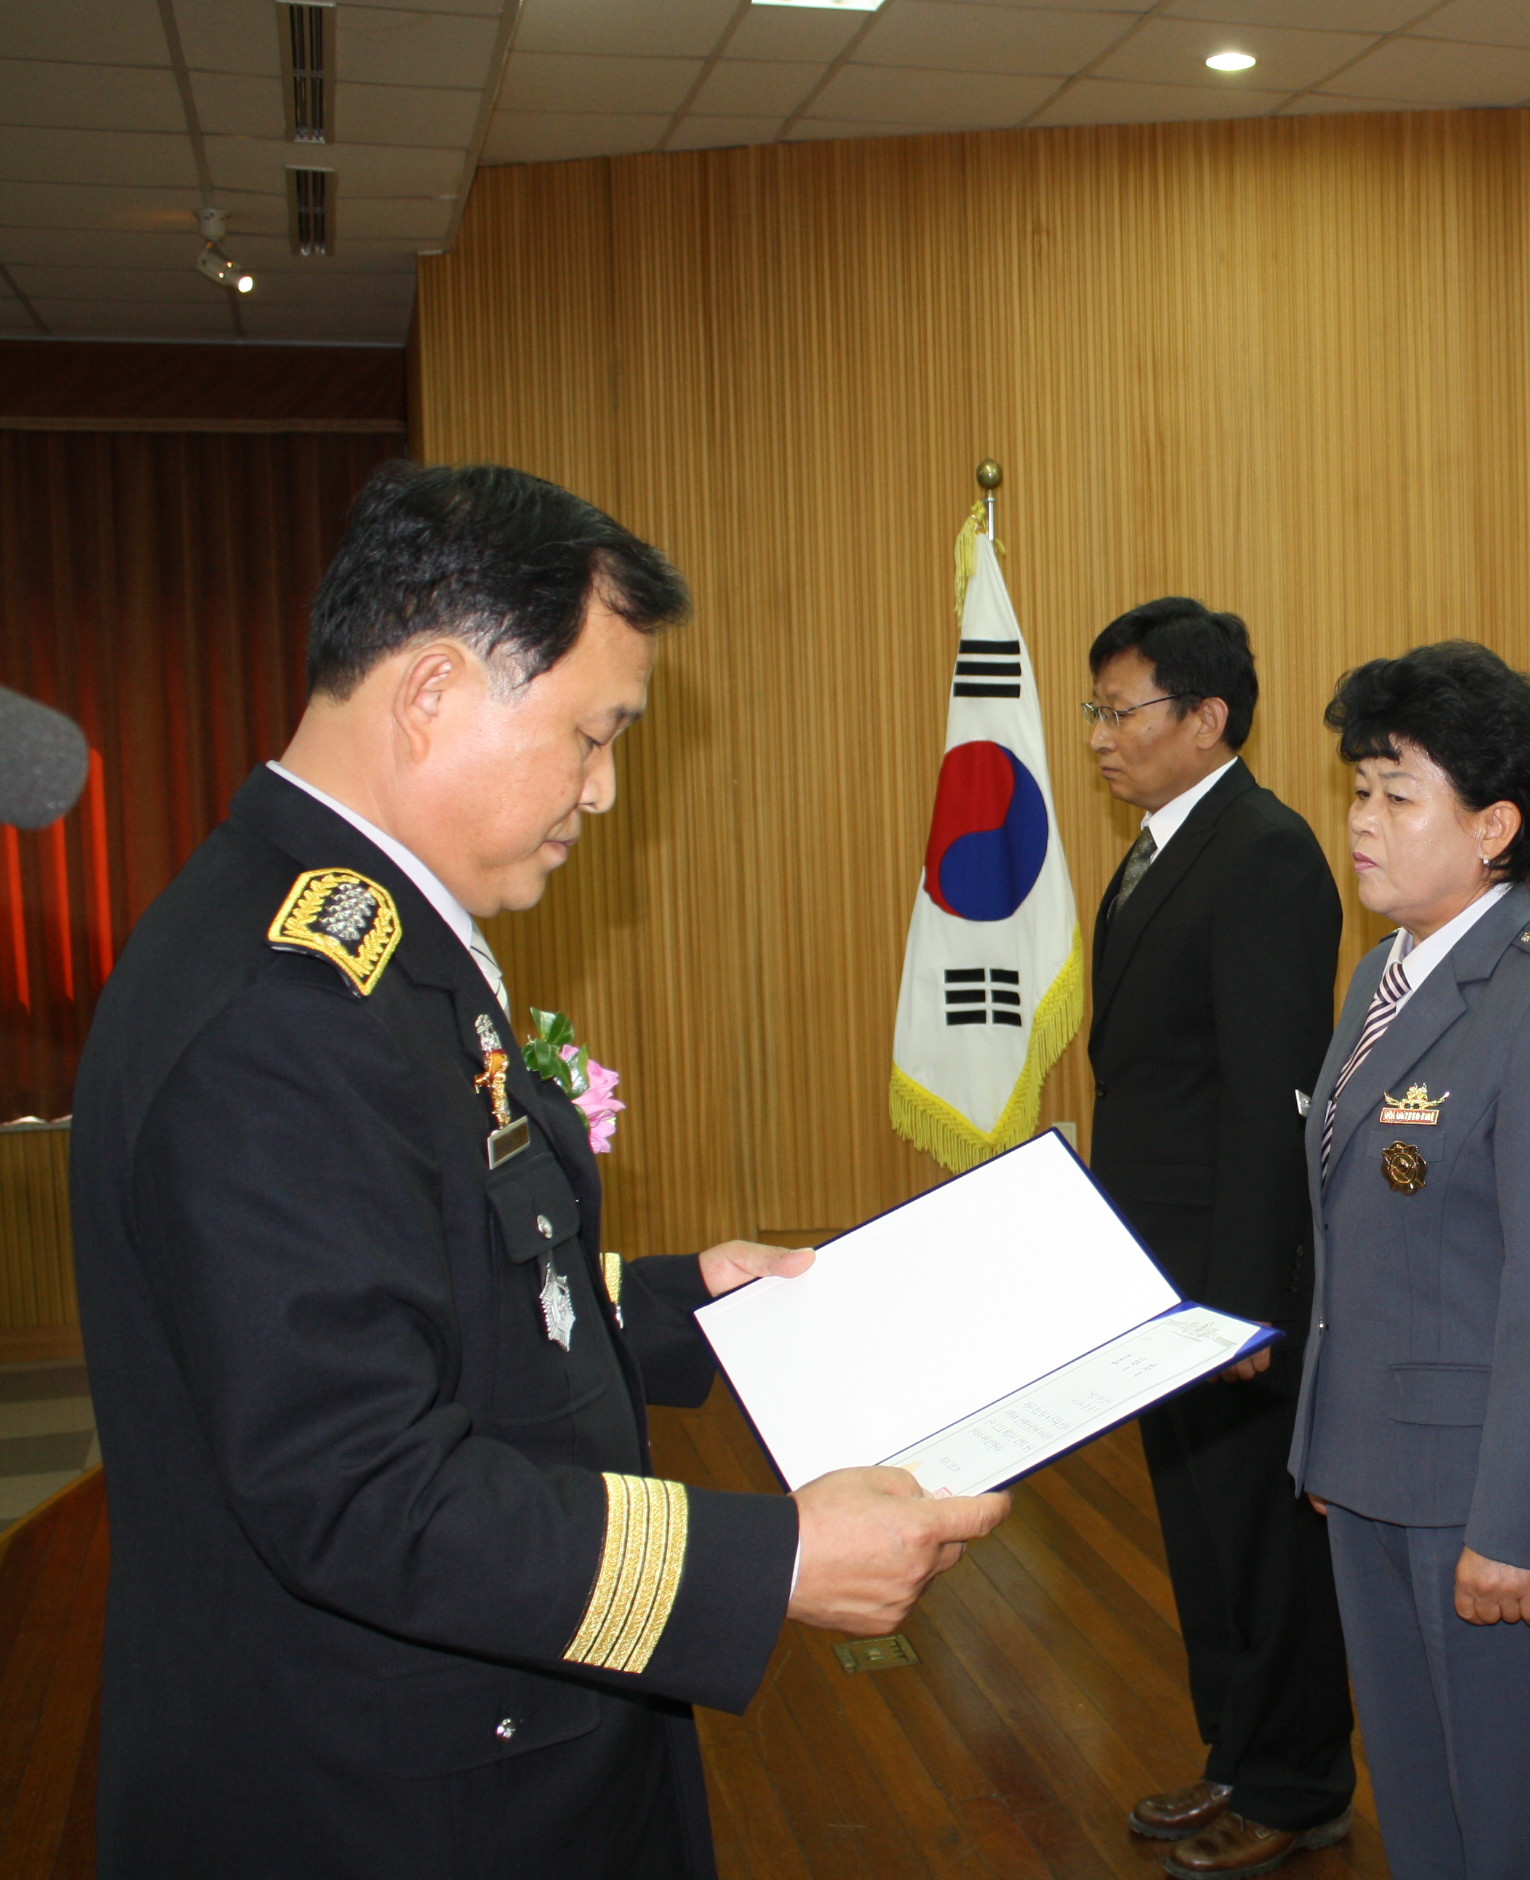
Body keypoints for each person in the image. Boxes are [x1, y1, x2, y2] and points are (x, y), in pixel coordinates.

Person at [69, 462, 1011, 1880]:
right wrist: (771, 1563)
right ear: (432, 692)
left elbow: (435, 1284)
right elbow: (359, 1486)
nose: (607, 789)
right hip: (387, 1804)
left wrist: (687, 1305)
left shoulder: (370, 939)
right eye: (591, 734)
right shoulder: (286, 1012)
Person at [1288, 641, 1530, 1880]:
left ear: (1493, 827)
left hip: (1483, 1501)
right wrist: (1330, 1438)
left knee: (1511, 1826)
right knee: (1419, 1808)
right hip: (1372, 1466)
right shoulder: (1380, 976)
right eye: (1357, 789)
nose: (1360, 819)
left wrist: (1518, 1525)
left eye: (1397, 794)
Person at [1081, 598, 1356, 1877]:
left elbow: (1268, 1095)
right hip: (1157, 1269)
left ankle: (1297, 1778)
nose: (1099, 736)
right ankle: (1236, 1752)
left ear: (1206, 717)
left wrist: (1245, 1298)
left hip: (1226, 1280)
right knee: (1200, 1534)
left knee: (1261, 1537)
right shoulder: (1156, 848)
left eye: (1119, 710)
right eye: (1093, 711)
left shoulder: (1263, 853)